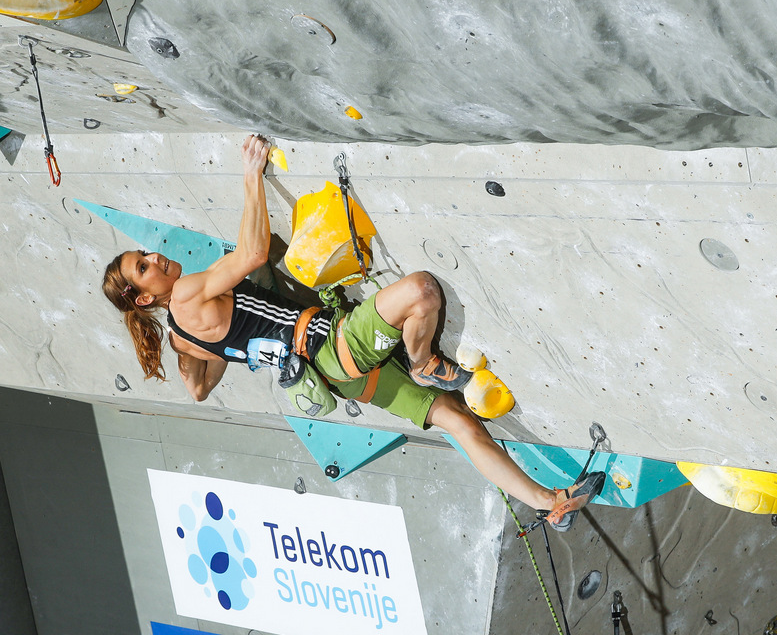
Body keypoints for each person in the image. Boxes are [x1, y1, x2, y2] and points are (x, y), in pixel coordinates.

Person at [101, 134, 601, 526]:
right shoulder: (186, 294)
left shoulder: (180, 336)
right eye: (142, 268)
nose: (153, 257)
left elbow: (197, 390)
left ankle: (550, 502)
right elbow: (252, 253)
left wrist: (243, 349)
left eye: (143, 255)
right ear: (145, 298)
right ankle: (425, 361)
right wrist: (252, 173)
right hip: (331, 349)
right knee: (421, 292)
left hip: (340, 377)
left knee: (459, 422)